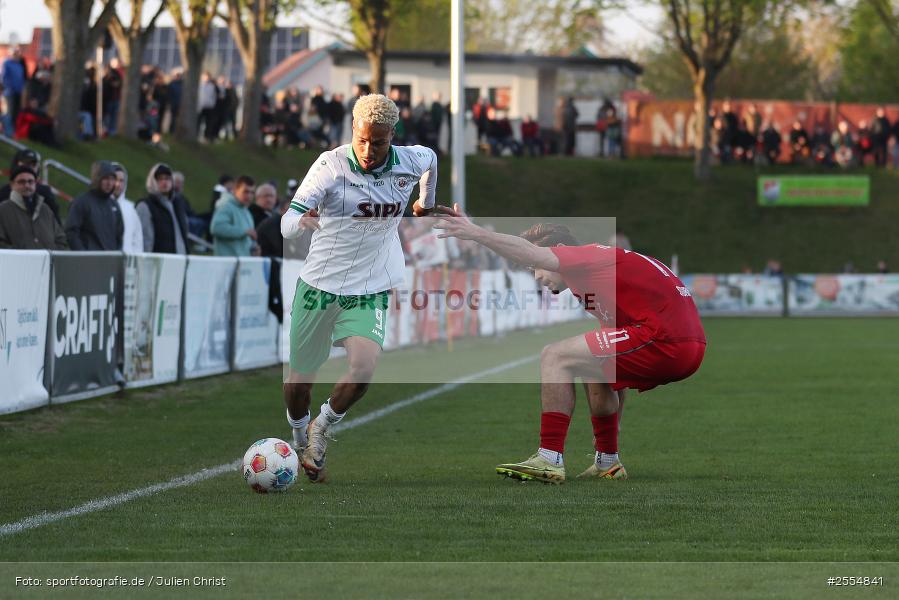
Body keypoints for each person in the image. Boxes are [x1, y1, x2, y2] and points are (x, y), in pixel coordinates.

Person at [433, 215, 706, 484]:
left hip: (666, 339)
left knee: (555, 355)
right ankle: (608, 463)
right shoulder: (591, 277)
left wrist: (475, 233)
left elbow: (530, 252)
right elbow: (612, 352)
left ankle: (549, 457)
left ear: (559, 252)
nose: (537, 276)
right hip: (684, 343)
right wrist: (615, 419)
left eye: (536, 267)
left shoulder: (585, 256)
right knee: (590, 365)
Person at [280, 93, 438, 483]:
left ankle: (321, 428)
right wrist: (297, 224)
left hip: (371, 284)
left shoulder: (411, 160)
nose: (369, 149)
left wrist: (424, 203)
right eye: (363, 139)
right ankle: (299, 437)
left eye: (380, 142)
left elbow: (431, 159)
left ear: (392, 136)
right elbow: (288, 217)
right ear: (353, 128)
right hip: (319, 283)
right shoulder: (330, 166)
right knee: (298, 383)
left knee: (364, 369)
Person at [0, 165, 67, 250]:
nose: (27, 185)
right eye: (21, 182)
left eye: (30, 181)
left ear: (35, 184)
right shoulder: (3, 210)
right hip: (16, 262)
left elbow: (61, 238)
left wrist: (52, 256)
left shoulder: (45, 209)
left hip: (49, 262)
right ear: (12, 185)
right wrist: (23, 257)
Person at [65, 160, 123, 250]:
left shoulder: (114, 205)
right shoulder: (81, 202)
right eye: (106, 178)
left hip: (110, 261)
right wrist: (83, 255)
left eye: (112, 179)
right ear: (97, 179)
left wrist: (116, 257)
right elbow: (71, 232)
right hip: (89, 261)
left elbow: (119, 236)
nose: (109, 183)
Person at [136, 163, 189, 255]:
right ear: (153, 181)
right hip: (157, 264)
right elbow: (145, 241)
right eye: (160, 179)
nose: (165, 182)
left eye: (167, 178)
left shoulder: (177, 204)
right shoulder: (145, 206)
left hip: (180, 262)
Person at [0, 149, 61, 223]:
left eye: (33, 165)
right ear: (17, 164)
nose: (30, 167)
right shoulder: (5, 191)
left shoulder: (45, 192)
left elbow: (56, 224)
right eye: (26, 163)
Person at [210, 174, 256, 257]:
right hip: (227, 265)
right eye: (245, 191)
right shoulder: (225, 206)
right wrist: (244, 232)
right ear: (235, 190)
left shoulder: (246, 211)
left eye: (252, 192)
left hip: (242, 264)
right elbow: (217, 228)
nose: (249, 196)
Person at [111, 162, 143, 254]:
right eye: (115, 179)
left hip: (126, 264)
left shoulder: (131, 209)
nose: (118, 184)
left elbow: (137, 240)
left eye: (121, 181)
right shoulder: (98, 204)